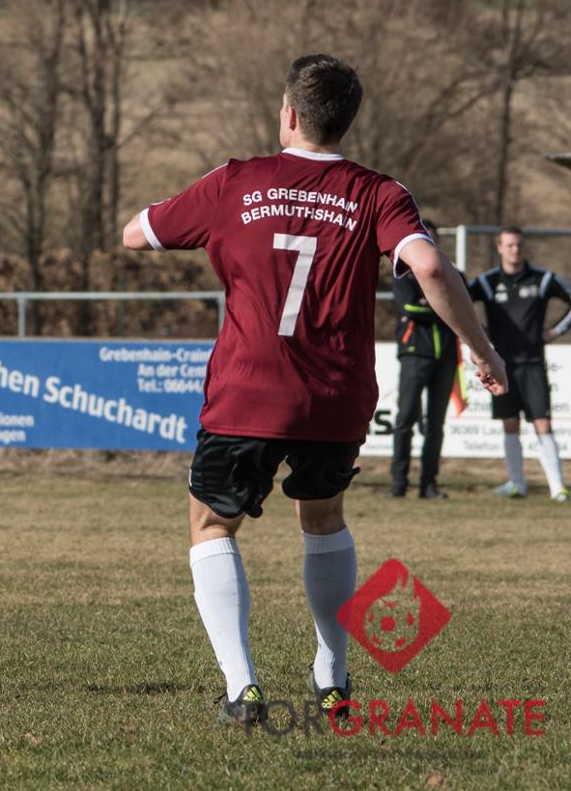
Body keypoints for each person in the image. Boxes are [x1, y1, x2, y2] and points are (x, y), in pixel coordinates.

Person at [122, 54, 506, 728]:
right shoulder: (378, 192)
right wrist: (481, 347)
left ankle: (242, 687)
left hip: (248, 389)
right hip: (335, 394)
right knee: (323, 518)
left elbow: (138, 232)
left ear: (289, 113)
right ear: (345, 120)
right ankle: (332, 671)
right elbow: (427, 264)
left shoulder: (236, 181)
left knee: (211, 525)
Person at [468, 227, 571, 501]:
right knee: (510, 424)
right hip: (500, 365)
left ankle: (557, 487)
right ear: (499, 247)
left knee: (542, 423)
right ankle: (517, 484)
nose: (515, 250)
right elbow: (459, 304)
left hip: (533, 363)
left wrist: (556, 331)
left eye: (519, 245)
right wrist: (478, 335)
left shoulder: (543, 279)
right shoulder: (487, 282)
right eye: (510, 245)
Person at [389, 218, 459, 499]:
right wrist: (441, 306)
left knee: (436, 424)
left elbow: (460, 307)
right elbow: (407, 307)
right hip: (414, 353)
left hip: (447, 356)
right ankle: (398, 483)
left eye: (432, 237)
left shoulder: (454, 273)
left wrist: (428, 305)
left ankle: (429, 484)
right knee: (405, 418)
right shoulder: (402, 275)